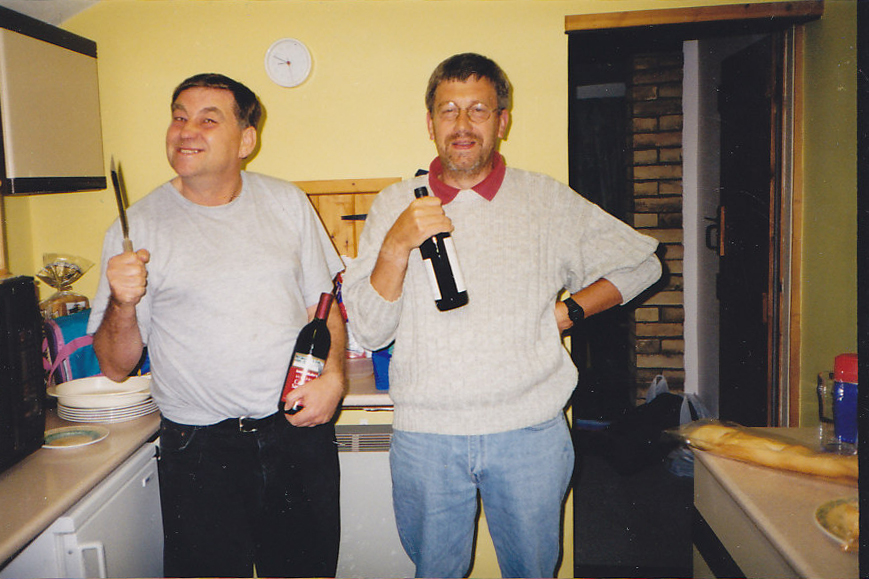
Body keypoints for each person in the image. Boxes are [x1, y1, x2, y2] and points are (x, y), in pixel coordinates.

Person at [341, 53, 661, 578]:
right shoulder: (394, 203)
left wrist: (567, 313)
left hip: (530, 433)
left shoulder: (546, 200)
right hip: (427, 436)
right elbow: (372, 330)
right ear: (430, 123)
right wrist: (397, 244)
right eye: (448, 110)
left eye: (479, 110)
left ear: (502, 121)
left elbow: (643, 264)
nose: (462, 124)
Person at [87, 73, 346, 578]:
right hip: (200, 451)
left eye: (208, 120)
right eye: (179, 117)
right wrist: (122, 302)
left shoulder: (287, 202)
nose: (186, 130)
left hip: (295, 434)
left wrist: (333, 377)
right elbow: (115, 367)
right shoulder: (135, 227)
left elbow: (324, 304)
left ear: (246, 140)